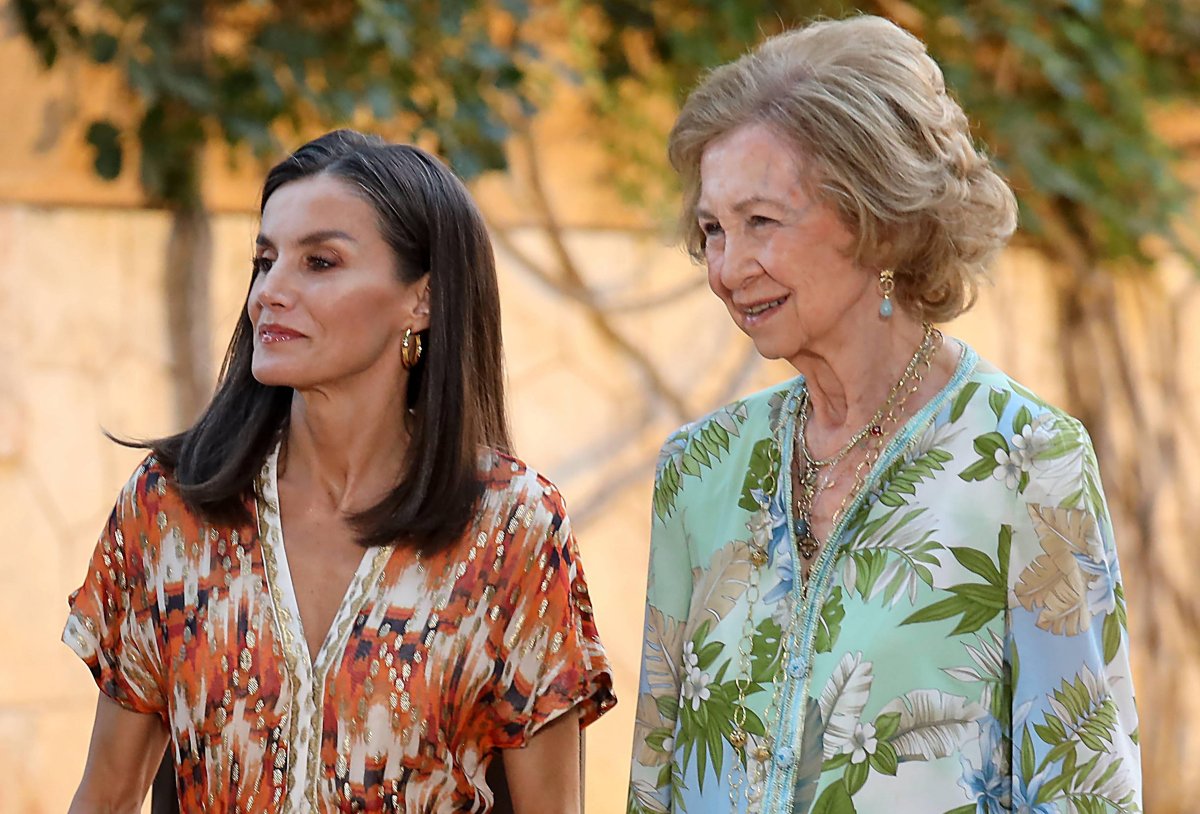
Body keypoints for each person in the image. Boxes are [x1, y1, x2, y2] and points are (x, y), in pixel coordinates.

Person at [627, 16, 1140, 814]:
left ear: (882, 221)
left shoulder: (1028, 460)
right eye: (712, 230)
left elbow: (1084, 792)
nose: (727, 268)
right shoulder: (699, 469)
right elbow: (657, 775)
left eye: (761, 221)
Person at [64, 129, 616, 813]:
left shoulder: (510, 528)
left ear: (424, 299)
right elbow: (107, 795)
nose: (270, 291)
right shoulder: (171, 507)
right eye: (266, 260)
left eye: (319, 262)